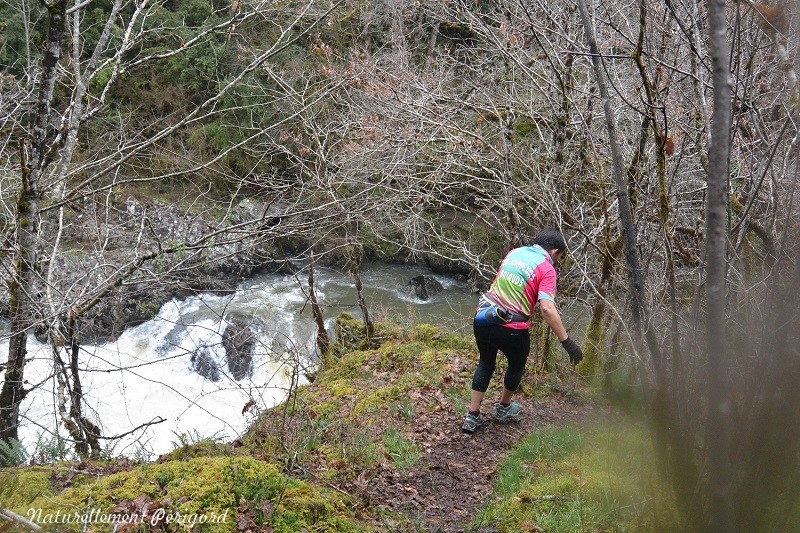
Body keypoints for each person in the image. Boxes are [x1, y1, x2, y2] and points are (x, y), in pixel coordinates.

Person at [462, 228, 583, 434]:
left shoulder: (515, 252)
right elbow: (547, 308)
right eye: (560, 256)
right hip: (512, 329)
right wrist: (567, 342)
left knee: (486, 363)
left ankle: (472, 416)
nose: (558, 260)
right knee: (516, 365)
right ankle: (503, 408)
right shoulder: (547, 269)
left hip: (483, 317)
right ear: (554, 252)